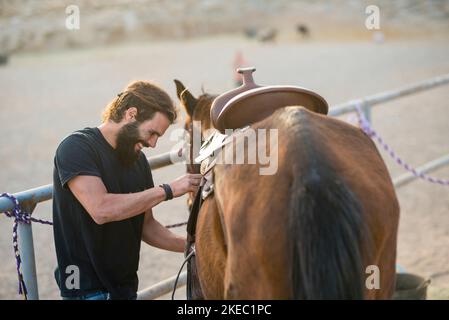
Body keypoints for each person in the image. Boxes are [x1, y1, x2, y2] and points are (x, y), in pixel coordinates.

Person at [52, 80, 202, 300]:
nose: (153, 144)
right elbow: (101, 209)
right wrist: (168, 190)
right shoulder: (77, 147)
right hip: (85, 291)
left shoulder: (137, 161)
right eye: (152, 133)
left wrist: (196, 248)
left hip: (125, 290)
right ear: (131, 114)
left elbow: (147, 227)